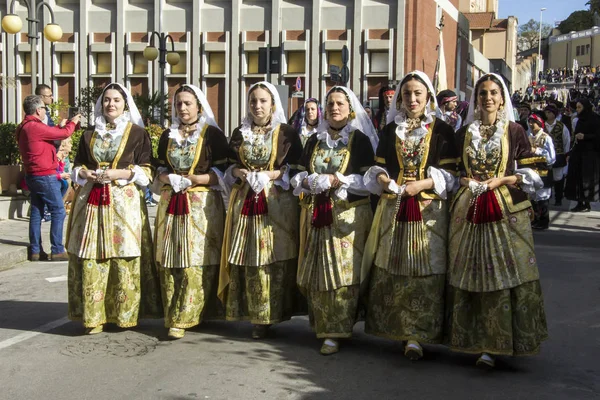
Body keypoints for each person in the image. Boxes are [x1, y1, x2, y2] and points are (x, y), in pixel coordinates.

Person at [445, 73, 548, 369]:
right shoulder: (464, 133)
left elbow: (532, 172)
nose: (487, 98)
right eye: (482, 93)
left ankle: (500, 341)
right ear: (476, 100)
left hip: (504, 210)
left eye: (493, 93)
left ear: (502, 98)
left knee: (503, 274)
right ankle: (475, 342)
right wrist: (467, 180)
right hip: (469, 208)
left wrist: (501, 180)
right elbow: (451, 172)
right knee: (471, 272)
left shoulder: (514, 130)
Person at [361, 71, 459, 361]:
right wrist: (384, 181)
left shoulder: (441, 130)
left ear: (428, 95)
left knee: (424, 269)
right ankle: (400, 329)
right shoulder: (392, 130)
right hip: (396, 205)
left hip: (429, 210)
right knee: (396, 267)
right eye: (407, 94)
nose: (412, 99)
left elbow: (452, 175)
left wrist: (423, 184)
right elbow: (378, 167)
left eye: (418, 93)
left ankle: (420, 332)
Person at [67, 83, 162, 334]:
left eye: (117, 100)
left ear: (125, 104)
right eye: (107, 100)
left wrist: (119, 173)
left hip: (124, 201)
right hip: (92, 201)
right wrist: (85, 173)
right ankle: (94, 315)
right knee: (92, 253)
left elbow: (148, 170)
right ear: (101, 104)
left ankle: (125, 313)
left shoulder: (137, 134)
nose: (111, 104)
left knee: (124, 253)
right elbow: (77, 166)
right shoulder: (89, 134)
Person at [291, 86, 377, 355]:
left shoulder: (359, 140)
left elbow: (369, 181)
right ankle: (322, 325)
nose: (334, 108)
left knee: (342, 275)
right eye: (330, 104)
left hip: (347, 216)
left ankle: (338, 328)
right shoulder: (314, 141)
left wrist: (338, 179)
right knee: (319, 272)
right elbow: (298, 174)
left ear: (350, 109)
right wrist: (308, 180)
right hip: (318, 215)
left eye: (340, 103)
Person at [218, 81, 303, 339]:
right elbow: (228, 167)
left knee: (271, 258)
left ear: (273, 104)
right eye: (253, 101)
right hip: (245, 200)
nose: (257, 106)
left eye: (262, 101)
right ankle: (255, 316)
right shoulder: (239, 132)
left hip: (276, 204)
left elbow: (297, 168)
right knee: (248, 256)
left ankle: (272, 313)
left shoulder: (287, 133)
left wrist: (274, 173)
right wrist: (239, 171)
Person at [153, 84, 229, 339]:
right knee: (172, 257)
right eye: (178, 104)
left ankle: (192, 312)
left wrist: (195, 179)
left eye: (187, 103)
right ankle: (174, 312)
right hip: (171, 202)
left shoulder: (212, 135)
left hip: (200, 204)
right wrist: (168, 178)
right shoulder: (168, 134)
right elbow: (160, 167)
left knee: (196, 259)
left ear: (199, 106)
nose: (183, 108)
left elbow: (222, 174)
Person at [16, 95, 80, 261]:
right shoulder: (35, 126)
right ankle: (57, 249)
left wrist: (60, 127)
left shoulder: (23, 127)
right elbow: (64, 133)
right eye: (45, 108)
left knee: (37, 212)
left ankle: (36, 250)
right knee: (58, 211)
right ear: (38, 110)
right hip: (45, 175)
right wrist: (73, 122)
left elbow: (50, 138)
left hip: (32, 175)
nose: (46, 111)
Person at [564, 98, 600, 212]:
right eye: (577, 107)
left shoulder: (595, 119)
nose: (578, 109)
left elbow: (598, 136)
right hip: (578, 153)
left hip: (590, 155)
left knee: (587, 179)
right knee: (577, 178)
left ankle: (587, 202)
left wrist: (585, 136)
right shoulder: (579, 119)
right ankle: (580, 202)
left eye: (580, 107)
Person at [526, 111, 556, 230]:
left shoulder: (546, 138)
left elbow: (552, 158)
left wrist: (537, 151)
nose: (531, 124)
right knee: (533, 198)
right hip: (532, 173)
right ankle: (535, 219)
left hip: (543, 173)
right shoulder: (529, 137)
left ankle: (544, 221)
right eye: (529, 122)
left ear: (539, 123)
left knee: (542, 198)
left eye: (533, 121)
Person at [545, 104, 571, 206]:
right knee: (546, 176)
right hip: (545, 156)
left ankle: (558, 198)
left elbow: (566, 140)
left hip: (558, 155)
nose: (547, 114)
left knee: (558, 177)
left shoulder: (561, 126)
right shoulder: (542, 126)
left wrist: (565, 153)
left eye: (549, 112)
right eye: (546, 112)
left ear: (554, 114)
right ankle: (547, 197)